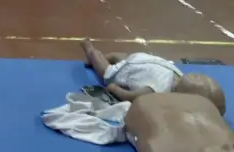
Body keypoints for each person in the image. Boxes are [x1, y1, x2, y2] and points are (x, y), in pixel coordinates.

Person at [81, 39, 225, 110]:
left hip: (146, 59)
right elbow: (130, 97)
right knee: (106, 72)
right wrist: (113, 88)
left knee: (124, 59)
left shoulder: (177, 77)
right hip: (131, 68)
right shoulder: (159, 91)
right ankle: (91, 50)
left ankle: (111, 56)